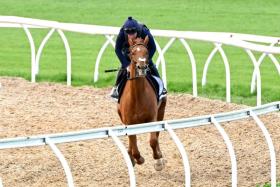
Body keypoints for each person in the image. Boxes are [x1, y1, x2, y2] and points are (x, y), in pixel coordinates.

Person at [110, 16, 166, 99]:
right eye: (129, 34)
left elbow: (153, 47)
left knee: (151, 65)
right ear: (126, 32)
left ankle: (162, 88)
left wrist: (146, 60)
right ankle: (116, 88)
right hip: (129, 51)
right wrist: (126, 65)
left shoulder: (144, 31)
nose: (131, 36)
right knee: (123, 68)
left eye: (133, 34)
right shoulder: (122, 33)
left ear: (137, 30)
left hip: (143, 52)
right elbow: (117, 49)